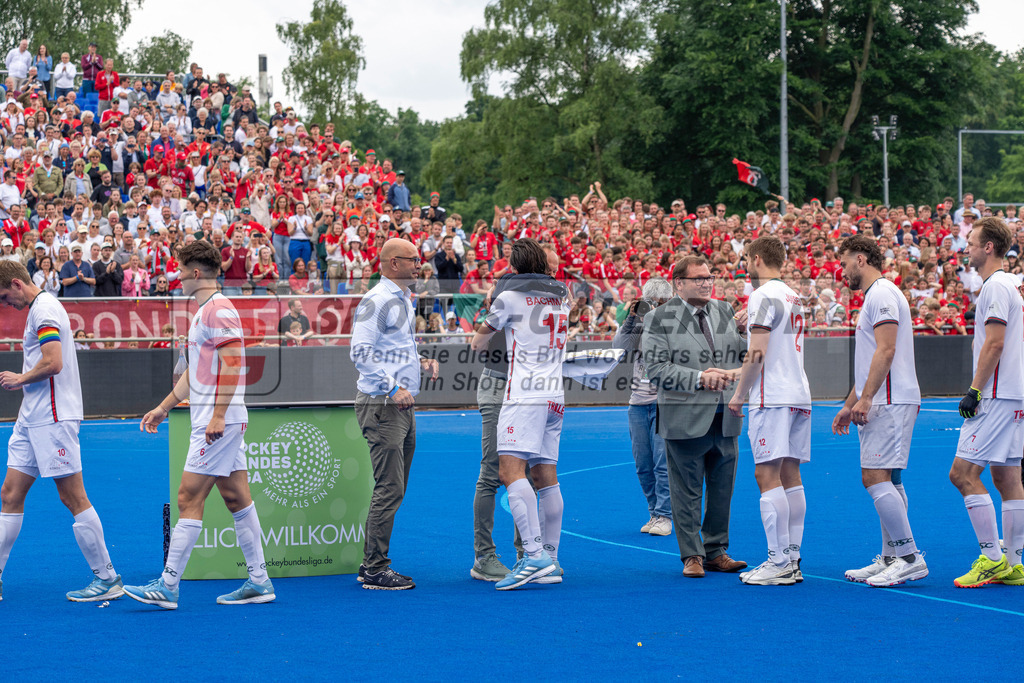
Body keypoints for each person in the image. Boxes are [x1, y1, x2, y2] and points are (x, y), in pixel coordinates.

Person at [124, 240, 274, 609]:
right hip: (215, 418)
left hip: (216, 421)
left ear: (194, 272)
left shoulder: (218, 309)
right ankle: (259, 581)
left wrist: (219, 415)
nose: (175, 276)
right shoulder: (204, 310)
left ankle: (168, 586)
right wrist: (164, 407)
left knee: (188, 497)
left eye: (179, 270)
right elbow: (197, 369)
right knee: (237, 498)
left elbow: (235, 363)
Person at [0, 260, 122, 602]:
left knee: (72, 496)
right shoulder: (41, 308)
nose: (5, 303)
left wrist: (20, 378)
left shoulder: (45, 309)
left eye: (4, 296)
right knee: (10, 493)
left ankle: (107, 577)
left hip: (52, 417)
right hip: (32, 416)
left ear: (16, 283)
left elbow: (54, 362)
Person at [470, 238, 569, 590]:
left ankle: (533, 556)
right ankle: (551, 557)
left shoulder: (508, 297)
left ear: (513, 267)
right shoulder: (561, 296)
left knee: (508, 470)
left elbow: (478, 343)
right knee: (546, 475)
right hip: (555, 392)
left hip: (524, 391)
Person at [641, 255, 748, 578]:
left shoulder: (724, 311)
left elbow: (738, 353)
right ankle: (692, 555)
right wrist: (700, 378)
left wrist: (751, 333)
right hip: (684, 415)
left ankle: (716, 550)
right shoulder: (659, 318)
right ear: (679, 283)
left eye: (709, 276)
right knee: (686, 491)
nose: (706, 282)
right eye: (699, 278)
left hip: (725, 414)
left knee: (721, 488)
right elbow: (656, 369)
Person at [833, 235, 927, 587]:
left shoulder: (883, 294)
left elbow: (885, 351)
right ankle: (892, 555)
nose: (842, 272)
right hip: (887, 397)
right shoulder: (877, 295)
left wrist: (867, 398)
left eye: (844, 264)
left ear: (861, 259)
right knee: (889, 478)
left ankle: (909, 557)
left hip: (890, 400)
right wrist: (849, 403)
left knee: (874, 477)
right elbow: (872, 357)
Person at [350, 239, 440, 589]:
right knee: (390, 487)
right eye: (412, 260)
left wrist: (420, 363)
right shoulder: (379, 299)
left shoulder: (399, 298)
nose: (419, 265)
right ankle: (374, 567)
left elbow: (392, 349)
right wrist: (391, 387)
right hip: (384, 404)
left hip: (396, 404)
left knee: (394, 487)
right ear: (392, 263)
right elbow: (360, 351)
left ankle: (371, 563)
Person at [726, 237, 810, 586]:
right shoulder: (793, 295)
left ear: (757, 259)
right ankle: (791, 557)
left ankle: (778, 561)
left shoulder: (761, 295)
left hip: (771, 394)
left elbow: (757, 353)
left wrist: (739, 394)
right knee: (790, 474)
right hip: (797, 392)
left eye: (746, 258)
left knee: (766, 474)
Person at [947, 217, 1024, 588]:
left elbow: (995, 343)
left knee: (962, 474)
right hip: (1015, 393)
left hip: (995, 394)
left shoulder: (995, 285)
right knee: (1007, 476)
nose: (967, 248)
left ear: (988, 247)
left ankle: (992, 559)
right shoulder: (1013, 283)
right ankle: (1013, 562)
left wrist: (974, 391)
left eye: (972, 242)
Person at [613, 278, 675, 536]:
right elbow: (618, 348)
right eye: (651, 303)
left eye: (660, 304)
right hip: (637, 402)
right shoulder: (637, 325)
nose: (654, 309)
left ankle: (666, 515)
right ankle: (654, 511)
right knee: (643, 464)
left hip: (664, 401)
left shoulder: (676, 324)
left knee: (663, 463)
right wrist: (630, 319)